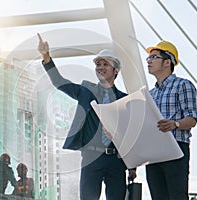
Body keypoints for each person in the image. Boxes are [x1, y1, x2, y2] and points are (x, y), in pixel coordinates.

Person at [37, 33, 136, 200]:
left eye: (106, 64)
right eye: (98, 64)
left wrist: (132, 165)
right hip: (91, 157)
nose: (100, 67)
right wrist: (46, 57)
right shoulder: (86, 90)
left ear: (116, 70)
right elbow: (59, 82)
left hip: (117, 161)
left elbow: (130, 133)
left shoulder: (125, 100)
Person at [145, 40, 197, 200]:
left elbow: (192, 118)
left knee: (177, 197)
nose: (149, 61)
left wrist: (174, 124)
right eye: (148, 58)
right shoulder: (150, 94)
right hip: (154, 153)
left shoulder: (183, 85)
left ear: (167, 62)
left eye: (154, 57)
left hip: (176, 149)